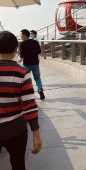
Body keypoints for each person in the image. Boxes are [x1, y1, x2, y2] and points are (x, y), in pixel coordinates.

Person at [0, 31, 42, 170]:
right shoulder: (21, 73)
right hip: (15, 130)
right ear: (16, 49)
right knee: (18, 164)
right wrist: (36, 135)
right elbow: (29, 106)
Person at [20, 29, 45, 100]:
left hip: (26, 64)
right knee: (37, 78)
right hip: (35, 63)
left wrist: (19, 60)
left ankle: (27, 94)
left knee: (25, 79)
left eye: (21, 35)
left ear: (24, 35)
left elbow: (21, 56)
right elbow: (39, 52)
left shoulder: (22, 44)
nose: (20, 36)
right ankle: (40, 91)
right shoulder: (35, 42)